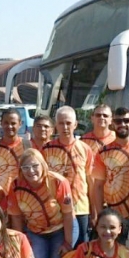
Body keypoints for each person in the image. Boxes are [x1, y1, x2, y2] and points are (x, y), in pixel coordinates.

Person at [91, 107, 129, 245]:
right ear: (113, 123)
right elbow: (98, 186)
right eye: (118, 121)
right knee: (117, 257)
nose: (122, 124)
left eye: (126, 120)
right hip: (113, 214)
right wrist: (101, 215)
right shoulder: (103, 152)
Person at [43, 106, 94, 247]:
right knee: (62, 249)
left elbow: (90, 181)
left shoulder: (85, 148)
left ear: (75, 124)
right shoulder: (46, 149)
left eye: (68, 123)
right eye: (61, 123)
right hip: (56, 208)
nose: (65, 127)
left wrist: (94, 212)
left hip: (80, 208)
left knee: (81, 248)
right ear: (55, 125)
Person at [0, 109, 30, 192]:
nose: (9, 126)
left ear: (20, 124)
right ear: (1, 123)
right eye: (6, 123)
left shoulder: (28, 147)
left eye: (13, 123)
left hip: (22, 195)